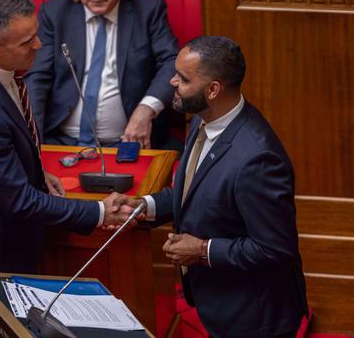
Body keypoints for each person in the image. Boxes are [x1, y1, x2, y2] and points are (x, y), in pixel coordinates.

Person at [0, 0, 136, 338]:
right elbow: (20, 201)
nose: (40, 45)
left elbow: (6, 147)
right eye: (27, 41)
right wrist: (100, 213)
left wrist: (35, 168)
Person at [112, 36, 309, 338]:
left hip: (255, 317)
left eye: (183, 78)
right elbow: (196, 191)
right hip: (219, 303)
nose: (172, 82)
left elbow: (274, 248)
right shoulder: (203, 120)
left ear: (213, 90)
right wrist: (144, 206)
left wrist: (202, 250)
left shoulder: (257, 159)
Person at [24, 0, 178, 149]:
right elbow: (37, 77)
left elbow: (171, 61)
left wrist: (147, 108)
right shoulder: (54, 13)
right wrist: (32, 138)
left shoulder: (149, 10)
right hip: (61, 140)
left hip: (131, 143)